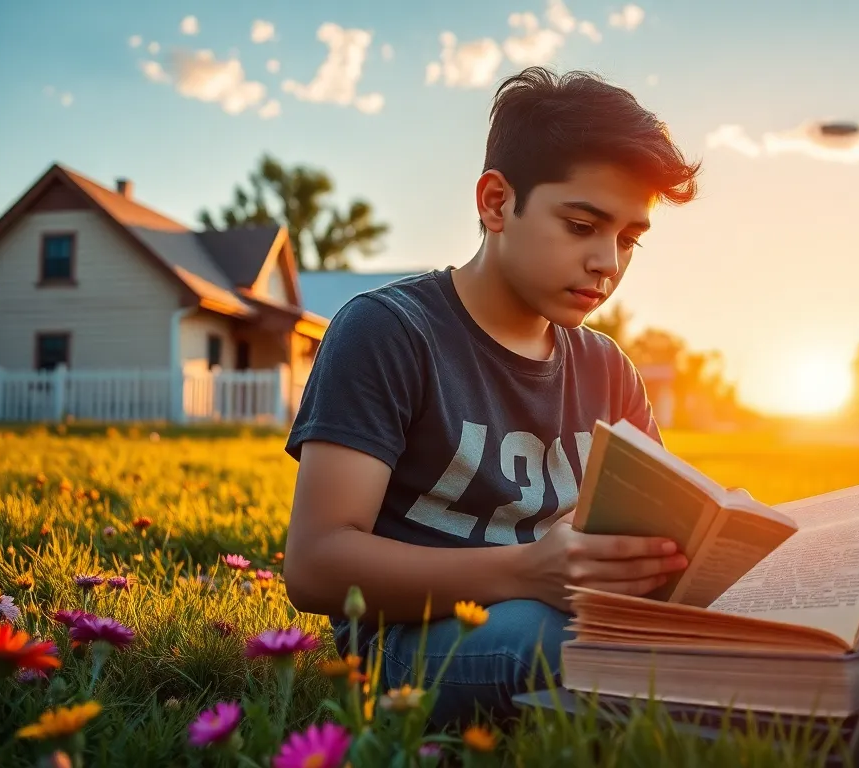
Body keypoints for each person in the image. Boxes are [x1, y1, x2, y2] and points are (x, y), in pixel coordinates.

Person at [281, 66, 703, 731]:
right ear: (496, 203)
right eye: (582, 224)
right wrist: (526, 571)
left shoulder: (608, 369)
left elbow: (660, 538)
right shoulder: (388, 332)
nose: (608, 263)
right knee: (559, 643)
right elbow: (315, 564)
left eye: (627, 240)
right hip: (408, 645)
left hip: (569, 617)